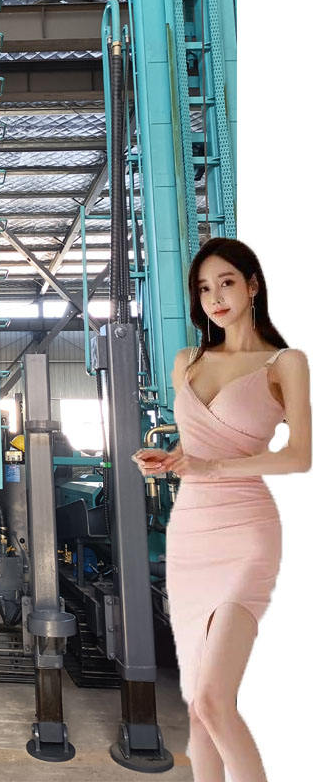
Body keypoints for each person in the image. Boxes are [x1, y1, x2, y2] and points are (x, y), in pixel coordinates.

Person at [132, 237, 311, 782]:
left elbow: (300, 456)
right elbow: (197, 449)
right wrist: (169, 461)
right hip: (190, 533)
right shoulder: (187, 361)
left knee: (214, 699)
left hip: (246, 533)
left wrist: (211, 467)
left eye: (227, 282)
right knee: (197, 707)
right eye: (205, 288)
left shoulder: (285, 363)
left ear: (253, 285)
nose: (215, 297)